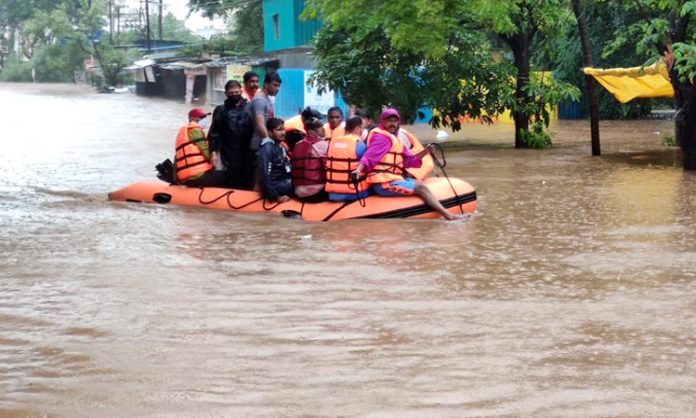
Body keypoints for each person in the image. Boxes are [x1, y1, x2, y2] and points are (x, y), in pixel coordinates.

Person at [350, 108, 463, 221]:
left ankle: (441, 210)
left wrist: (426, 151)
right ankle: (449, 216)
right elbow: (369, 157)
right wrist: (358, 170)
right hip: (383, 184)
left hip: (393, 179)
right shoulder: (381, 137)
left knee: (421, 184)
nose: (392, 124)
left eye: (395, 121)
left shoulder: (395, 139)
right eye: (389, 121)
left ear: (398, 122)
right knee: (421, 188)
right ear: (382, 122)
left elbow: (411, 160)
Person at [207, 80, 255, 190]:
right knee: (233, 179)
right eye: (231, 93)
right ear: (226, 93)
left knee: (249, 177)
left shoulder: (249, 108)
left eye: (237, 92)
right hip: (230, 152)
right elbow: (214, 133)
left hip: (248, 151)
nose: (234, 95)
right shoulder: (220, 110)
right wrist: (213, 152)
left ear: (241, 91)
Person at [174, 108, 227, 188]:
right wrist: (215, 153)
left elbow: (176, 159)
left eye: (205, 117)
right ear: (192, 118)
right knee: (226, 176)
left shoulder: (182, 133)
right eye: (202, 117)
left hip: (185, 177)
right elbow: (207, 154)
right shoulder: (195, 130)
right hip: (198, 175)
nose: (205, 119)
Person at [325, 116, 371, 201]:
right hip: (353, 192)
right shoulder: (359, 144)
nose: (362, 131)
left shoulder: (332, 142)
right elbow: (368, 165)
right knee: (374, 188)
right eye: (362, 129)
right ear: (357, 129)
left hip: (332, 194)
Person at [291, 117, 329, 202]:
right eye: (319, 128)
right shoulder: (322, 145)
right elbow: (329, 168)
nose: (323, 129)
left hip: (297, 192)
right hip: (316, 193)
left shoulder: (297, 145)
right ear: (311, 132)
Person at [257, 118, 293, 203]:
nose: (283, 133)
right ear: (270, 132)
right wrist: (275, 197)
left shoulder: (279, 146)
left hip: (284, 182)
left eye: (283, 129)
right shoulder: (267, 148)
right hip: (276, 186)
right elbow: (265, 175)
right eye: (279, 130)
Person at [247, 71, 282, 152]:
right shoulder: (260, 100)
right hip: (259, 145)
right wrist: (269, 143)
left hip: (264, 143)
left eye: (279, 86)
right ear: (266, 84)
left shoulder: (266, 99)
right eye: (275, 85)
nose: (277, 89)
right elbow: (260, 125)